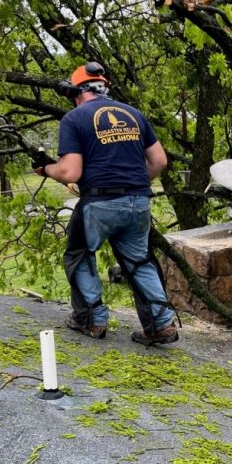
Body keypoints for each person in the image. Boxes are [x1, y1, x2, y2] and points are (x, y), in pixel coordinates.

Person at [33, 62, 178, 345]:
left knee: (80, 253)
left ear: (76, 93)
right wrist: (136, 183)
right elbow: (159, 161)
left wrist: (47, 169)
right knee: (138, 261)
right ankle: (161, 325)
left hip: (100, 202)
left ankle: (92, 320)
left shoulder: (74, 119)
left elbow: (70, 172)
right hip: (139, 202)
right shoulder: (134, 114)